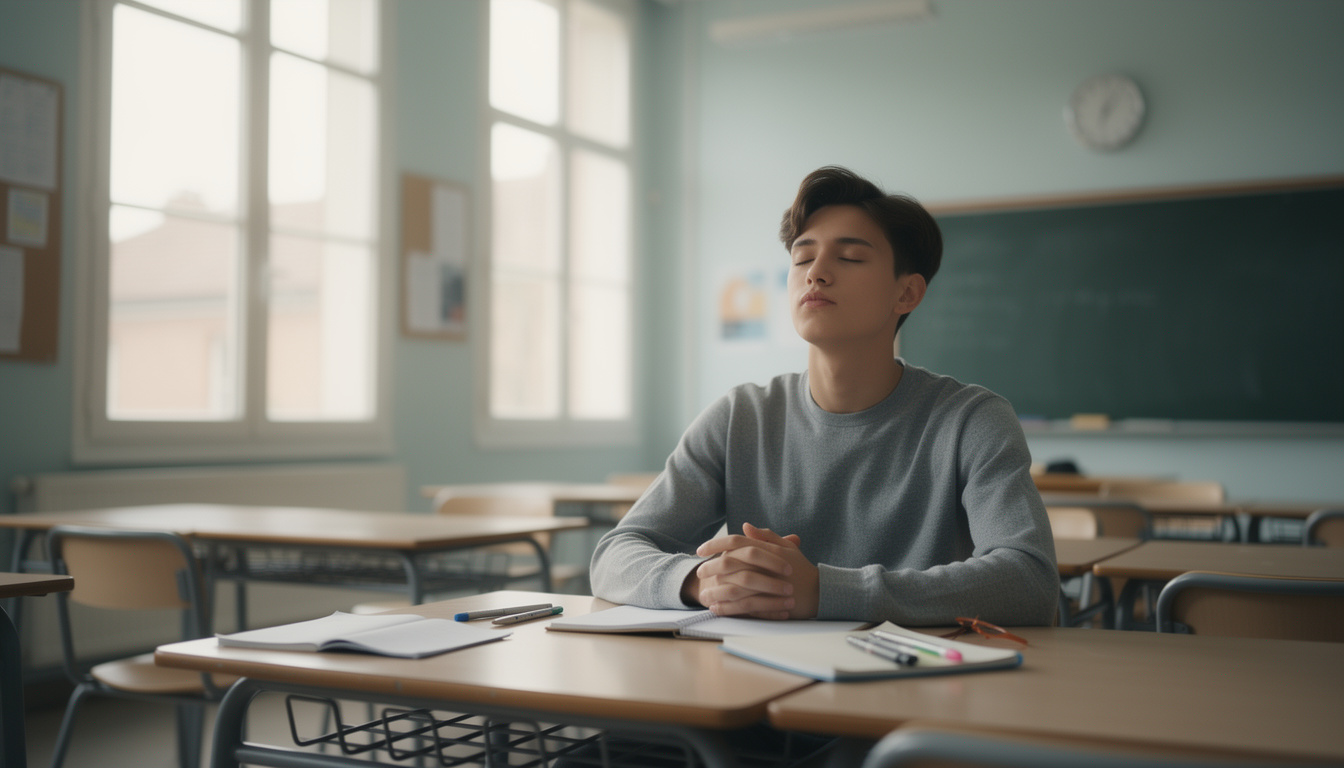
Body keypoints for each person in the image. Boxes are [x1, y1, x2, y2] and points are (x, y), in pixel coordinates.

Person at [590, 166, 1058, 627]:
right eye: (801, 258)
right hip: (759, 676)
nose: (815, 273)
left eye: (849, 258)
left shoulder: (972, 421)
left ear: (907, 293)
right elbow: (614, 554)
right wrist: (700, 579)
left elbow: (1029, 580)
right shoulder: (741, 417)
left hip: (915, 684)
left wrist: (822, 591)